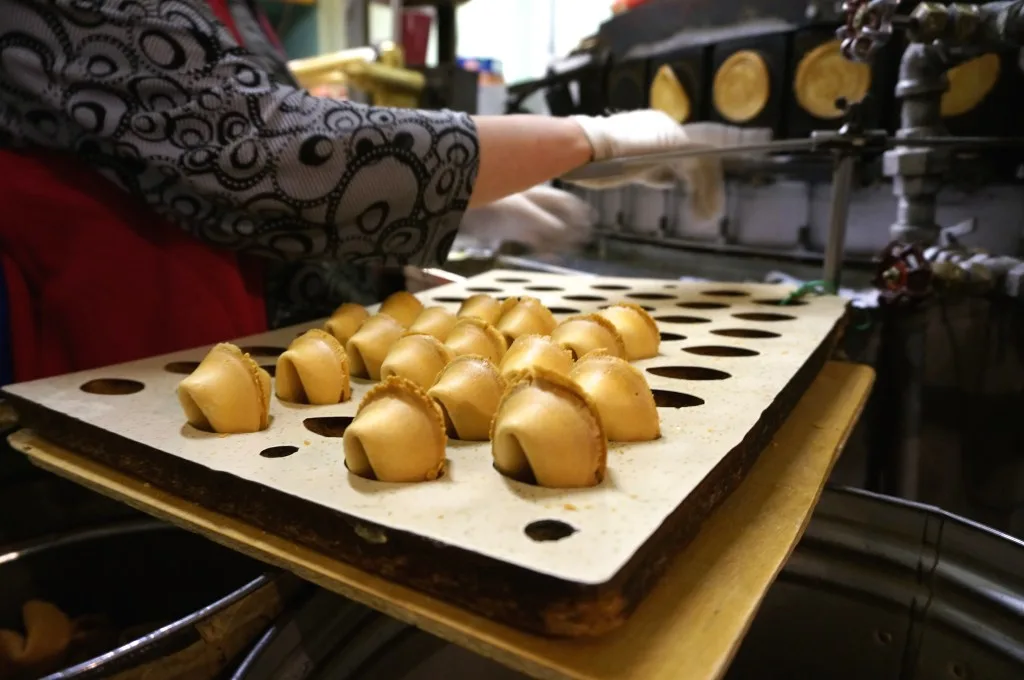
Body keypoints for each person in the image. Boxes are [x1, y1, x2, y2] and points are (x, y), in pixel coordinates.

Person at [0, 0, 722, 384]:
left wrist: (396, 248)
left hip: (264, 363)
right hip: (119, 384)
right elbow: (263, 157)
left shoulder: (237, 9)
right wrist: (583, 139)